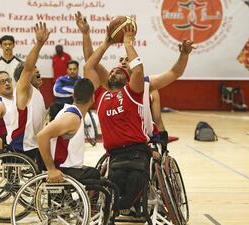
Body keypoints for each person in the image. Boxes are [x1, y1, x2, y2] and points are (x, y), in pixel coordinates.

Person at [76, 11, 194, 211]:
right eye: (118, 63)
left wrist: (183, 55)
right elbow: (90, 62)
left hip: (142, 141)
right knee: (116, 189)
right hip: (116, 150)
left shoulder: (141, 86)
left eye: (125, 62)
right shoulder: (108, 89)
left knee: (136, 181)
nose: (120, 64)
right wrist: (89, 35)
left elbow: (174, 73)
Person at [0, 22, 49, 169]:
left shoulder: (36, 92)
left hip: (34, 143)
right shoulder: (24, 89)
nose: (37, 71)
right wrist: (39, 44)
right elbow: (29, 66)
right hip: (21, 146)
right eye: (34, 70)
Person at [37, 78, 99, 183]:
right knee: (99, 178)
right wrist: (51, 169)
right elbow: (41, 136)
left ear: (73, 96)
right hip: (63, 168)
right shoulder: (72, 117)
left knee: (95, 172)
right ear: (93, 98)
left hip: (67, 166)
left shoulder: (72, 113)